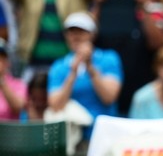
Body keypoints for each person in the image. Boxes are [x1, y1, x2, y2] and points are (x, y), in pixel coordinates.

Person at [47, 11, 123, 141]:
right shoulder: (59, 66)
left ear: (92, 34)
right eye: (71, 32)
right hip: (71, 137)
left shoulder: (109, 59)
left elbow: (109, 97)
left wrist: (89, 67)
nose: (76, 36)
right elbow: (55, 105)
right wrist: (72, 74)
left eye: (81, 32)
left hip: (103, 134)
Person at [0, 36, 26, 120]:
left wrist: (1, 80)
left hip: (10, 132)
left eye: (1, 58)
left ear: (7, 61)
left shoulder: (18, 84)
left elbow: (18, 107)